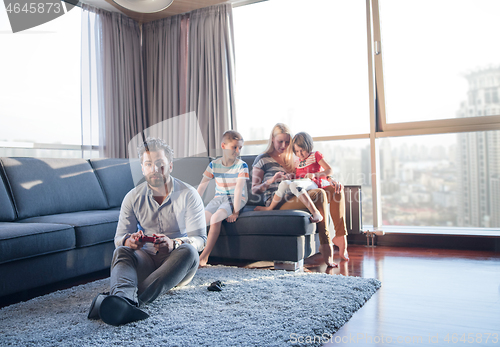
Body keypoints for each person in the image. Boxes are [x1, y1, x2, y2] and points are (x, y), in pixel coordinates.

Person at [87, 137, 206, 326]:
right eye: (148, 164)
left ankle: (124, 301)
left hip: (177, 265)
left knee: (190, 251)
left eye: (160, 164)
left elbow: (200, 239)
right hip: (146, 261)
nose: (154, 169)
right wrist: (129, 241)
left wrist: (174, 243)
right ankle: (123, 301)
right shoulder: (132, 197)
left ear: (170, 166)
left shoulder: (189, 194)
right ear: (142, 168)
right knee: (122, 251)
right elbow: (119, 238)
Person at [251, 124, 349, 268]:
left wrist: (331, 179)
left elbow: (311, 174)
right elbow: (255, 190)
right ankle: (325, 243)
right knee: (320, 194)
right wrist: (272, 180)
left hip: (298, 195)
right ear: (272, 139)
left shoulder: (293, 159)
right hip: (278, 201)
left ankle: (341, 236)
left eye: (287, 142)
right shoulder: (262, 159)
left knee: (336, 191)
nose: (284, 146)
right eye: (280, 142)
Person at [254, 132, 334, 224]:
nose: (300, 154)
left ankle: (315, 213)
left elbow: (329, 170)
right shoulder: (296, 160)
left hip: (312, 183)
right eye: (296, 151)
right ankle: (270, 208)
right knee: (284, 184)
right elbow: (296, 174)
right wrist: (289, 176)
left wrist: (315, 175)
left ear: (308, 147)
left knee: (294, 185)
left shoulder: (315, 155)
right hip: (301, 184)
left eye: (302, 150)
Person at [197, 130, 249, 267]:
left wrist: (235, 211)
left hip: (235, 199)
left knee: (215, 218)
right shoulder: (214, 165)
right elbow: (202, 186)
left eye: (240, 148)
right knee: (201, 219)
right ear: (223, 146)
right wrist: (194, 206)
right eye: (234, 147)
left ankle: (204, 257)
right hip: (218, 198)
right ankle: (191, 254)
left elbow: (238, 190)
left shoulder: (242, 166)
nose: (237, 151)